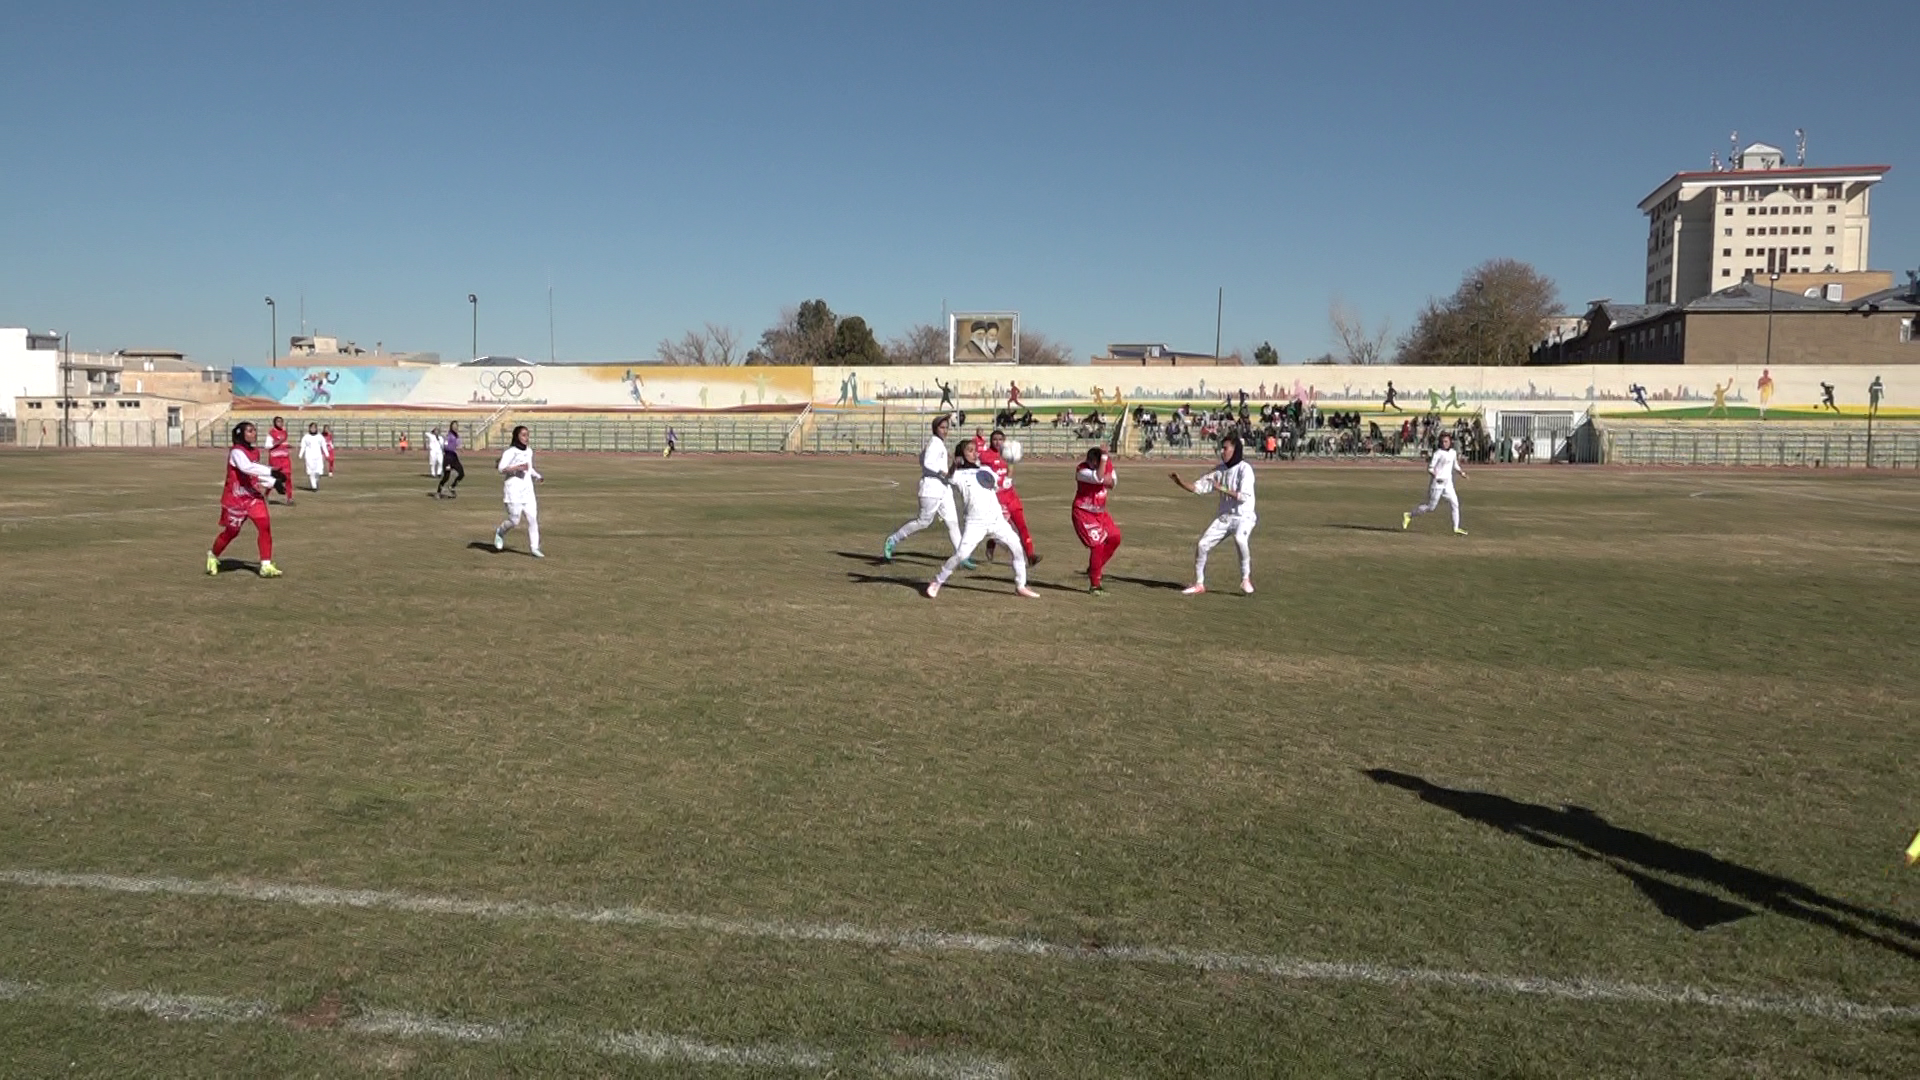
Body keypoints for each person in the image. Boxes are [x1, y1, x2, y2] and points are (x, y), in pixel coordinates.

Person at [925, 439, 1038, 599]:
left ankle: (1020, 585)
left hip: (996, 519)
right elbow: (948, 477)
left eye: (974, 450)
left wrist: (1010, 468)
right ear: (960, 455)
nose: (974, 453)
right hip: (975, 522)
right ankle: (937, 581)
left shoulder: (986, 470)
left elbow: (1000, 487)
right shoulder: (958, 474)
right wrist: (953, 465)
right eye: (969, 450)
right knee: (962, 555)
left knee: (1017, 548)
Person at [1169, 434, 1257, 595]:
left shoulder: (1245, 469)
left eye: (1225, 448)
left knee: (1240, 539)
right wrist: (1180, 482)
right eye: (1221, 448)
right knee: (1202, 545)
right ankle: (1199, 584)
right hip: (1225, 517)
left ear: (1235, 449)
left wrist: (1220, 488)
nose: (1222, 451)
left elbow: (1243, 496)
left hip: (1244, 516)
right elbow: (1198, 487)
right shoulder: (1219, 471)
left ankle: (1245, 579)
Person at [884, 415, 965, 562]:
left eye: (946, 427)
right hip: (931, 487)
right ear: (935, 428)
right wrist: (942, 472)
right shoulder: (934, 443)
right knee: (923, 522)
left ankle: (962, 555)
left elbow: (922, 459)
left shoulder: (937, 443)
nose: (945, 430)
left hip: (943, 488)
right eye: (942, 427)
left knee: (952, 522)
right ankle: (893, 539)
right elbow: (927, 463)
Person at [206, 421, 281, 577]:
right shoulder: (236, 452)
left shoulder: (255, 452)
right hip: (235, 499)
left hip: (253, 497)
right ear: (241, 434)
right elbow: (246, 467)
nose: (254, 433)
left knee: (265, 527)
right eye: (249, 431)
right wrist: (271, 472)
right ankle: (212, 556)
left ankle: (265, 565)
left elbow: (253, 475)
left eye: (254, 430)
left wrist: (273, 482)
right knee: (232, 532)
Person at [978, 429, 1040, 568]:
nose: (998, 442)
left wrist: (1008, 478)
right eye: (995, 439)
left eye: (1000, 439)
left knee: (1022, 526)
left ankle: (1030, 555)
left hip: (1011, 497)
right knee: (1003, 530)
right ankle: (992, 543)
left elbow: (1010, 466)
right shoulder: (985, 456)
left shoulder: (1008, 452)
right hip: (997, 499)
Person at [1072, 447, 1121, 595]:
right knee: (1098, 546)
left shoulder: (1104, 465)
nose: (1094, 464)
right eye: (1093, 462)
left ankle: (1094, 568)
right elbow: (1100, 478)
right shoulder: (1081, 470)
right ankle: (1095, 586)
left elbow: (1112, 483)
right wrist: (1104, 462)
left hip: (1100, 512)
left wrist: (1103, 469)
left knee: (1115, 538)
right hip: (1084, 513)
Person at [492, 425, 544, 558]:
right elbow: (501, 468)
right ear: (517, 436)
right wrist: (517, 467)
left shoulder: (529, 451)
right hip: (513, 491)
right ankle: (500, 532)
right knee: (515, 520)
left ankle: (534, 547)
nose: (526, 438)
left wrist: (537, 475)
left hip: (527, 491)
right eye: (523, 435)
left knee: (533, 519)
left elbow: (529, 468)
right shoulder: (510, 452)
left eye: (527, 435)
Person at [1403, 430, 1467, 536]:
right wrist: (1436, 476)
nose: (1444, 443)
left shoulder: (1453, 453)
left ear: (1450, 442)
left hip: (1448, 484)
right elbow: (1430, 468)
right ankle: (1409, 515)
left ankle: (1456, 527)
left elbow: (1455, 465)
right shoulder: (1438, 453)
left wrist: (1462, 472)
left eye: (1446, 441)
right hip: (1437, 484)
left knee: (1455, 503)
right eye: (1443, 442)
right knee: (1431, 507)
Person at [264, 416, 295, 504]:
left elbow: (284, 443)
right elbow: (267, 446)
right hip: (275, 459)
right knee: (275, 479)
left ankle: (289, 498)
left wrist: (288, 445)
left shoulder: (284, 432)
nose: (280, 423)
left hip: (285, 458)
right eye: (278, 422)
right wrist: (278, 442)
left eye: (281, 422)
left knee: (288, 478)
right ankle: (266, 494)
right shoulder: (271, 433)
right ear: (274, 423)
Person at [435, 420, 465, 498]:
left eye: (456, 426)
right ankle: (438, 491)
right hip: (448, 457)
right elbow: (445, 446)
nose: (455, 427)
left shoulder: (457, 436)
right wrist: (450, 447)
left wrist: (461, 448)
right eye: (454, 426)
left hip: (454, 457)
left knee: (461, 474)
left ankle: (452, 486)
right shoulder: (449, 436)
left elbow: (458, 444)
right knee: (446, 476)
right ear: (451, 427)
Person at [298, 421, 328, 491]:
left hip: (318, 456)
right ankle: (314, 486)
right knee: (311, 471)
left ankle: (315, 481)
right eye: (312, 428)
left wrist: (327, 454)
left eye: (314, 427)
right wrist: (300, 454)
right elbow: (303, 446)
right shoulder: (306, 437)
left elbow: (324, 446)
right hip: (309, 456)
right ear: (309, 428)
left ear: (316, 428)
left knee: (319, 472)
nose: (313, 429)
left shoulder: (320, 437)